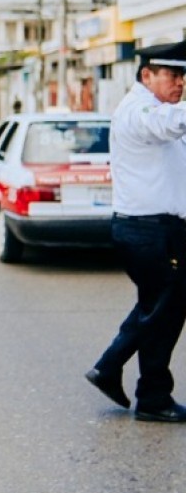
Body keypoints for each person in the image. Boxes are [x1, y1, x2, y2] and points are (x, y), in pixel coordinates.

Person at [85, 39, 186, 422]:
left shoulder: (160, 109)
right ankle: (144, 391)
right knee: (163, 311)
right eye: (173, 75)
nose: (180, 83)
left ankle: (128, 379)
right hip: (149, 231)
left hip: (159, 230)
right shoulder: (140, 111)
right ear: (147, 75)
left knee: (159, 308)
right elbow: (165, 124)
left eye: (183, 76)